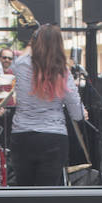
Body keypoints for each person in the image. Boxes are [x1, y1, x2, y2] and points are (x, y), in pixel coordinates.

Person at [10, 24, 85, 186]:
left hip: (22, 136)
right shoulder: (63, 72)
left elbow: (27, 52)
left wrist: (34, 39)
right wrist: (82, 112)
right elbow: (77, 113)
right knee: (48, 196)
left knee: (24, 192)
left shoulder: (21, 64)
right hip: (53, 137)